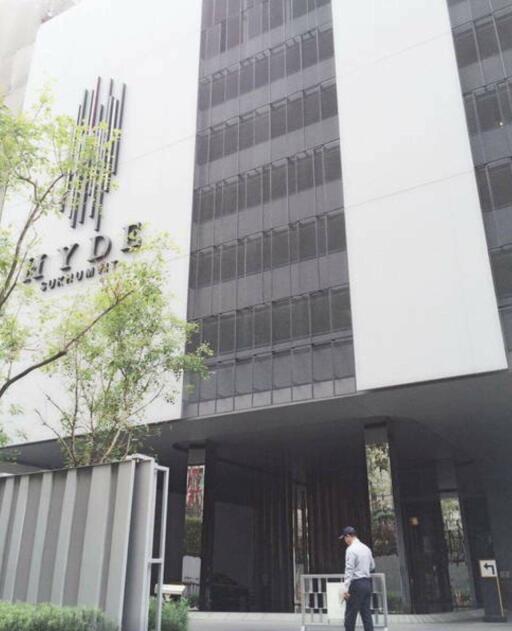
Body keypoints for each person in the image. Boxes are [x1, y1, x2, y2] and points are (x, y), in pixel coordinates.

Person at [339, 526, 375, 631]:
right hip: (367, 583)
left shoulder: (350, 550)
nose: (345, 541)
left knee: (350, 615)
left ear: (348, 536)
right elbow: (372, 566)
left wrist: (345, 589)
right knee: (366, 614)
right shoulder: (366, 548)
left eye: (345, 538)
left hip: (356, 584)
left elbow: (349, 570)